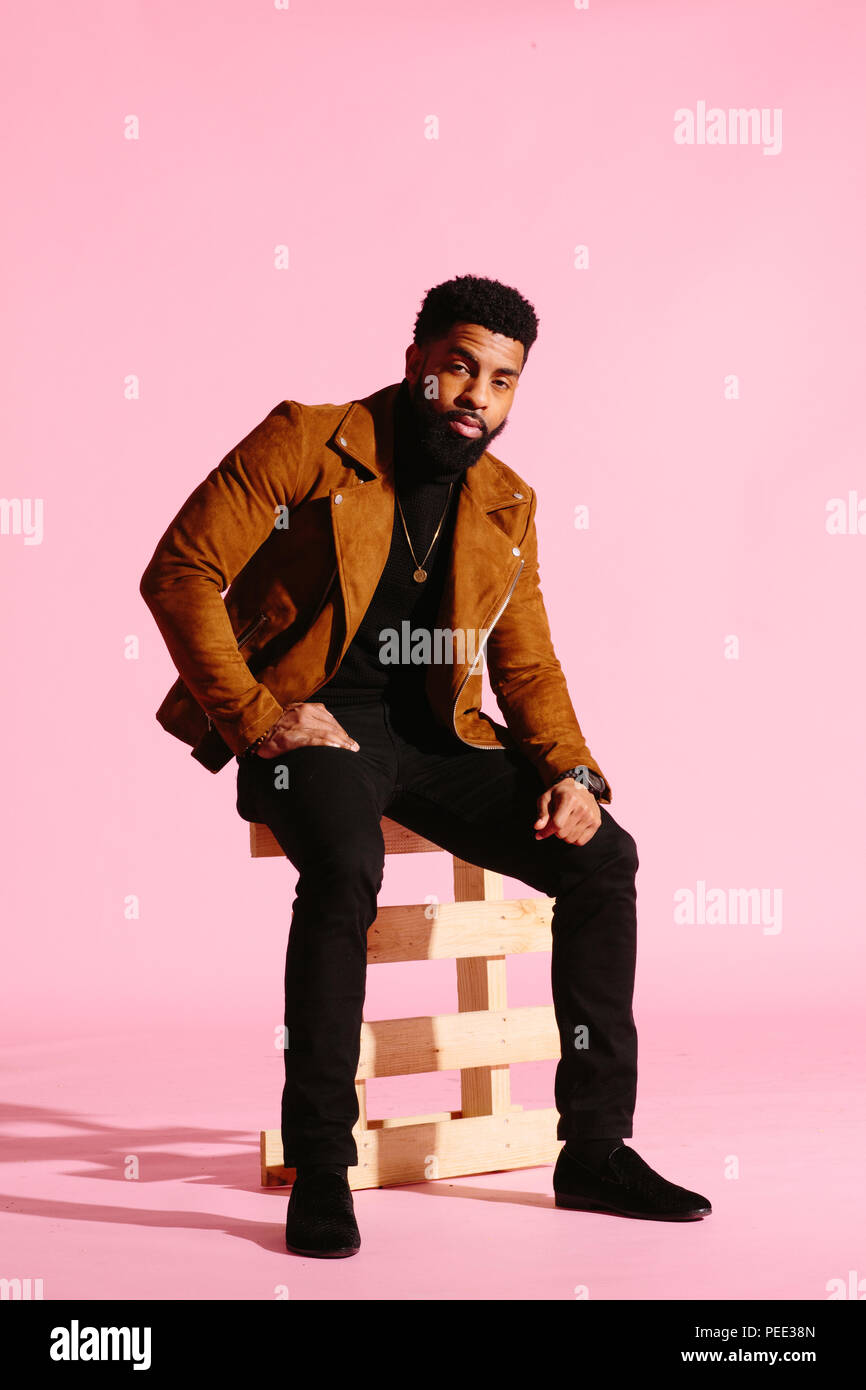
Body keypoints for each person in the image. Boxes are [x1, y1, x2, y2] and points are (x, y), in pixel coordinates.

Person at [140, 273, 711, 1259]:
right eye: (457, 367)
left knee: (604, 859)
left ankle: (593, 1150)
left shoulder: (504, 503)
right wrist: (257, 717)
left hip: (441, 737)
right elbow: (180, 569)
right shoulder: (307, 440)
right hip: (314, 726)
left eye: (499, 379)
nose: (474, 396)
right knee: (344, 872)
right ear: (415, 363)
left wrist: (575, 775)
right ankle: (322, 1166)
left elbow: (524, 664)